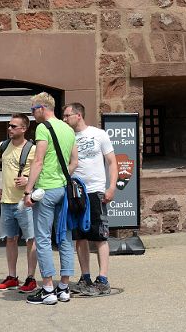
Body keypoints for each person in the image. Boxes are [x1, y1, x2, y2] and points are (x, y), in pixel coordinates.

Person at [22, 92, 76, 305]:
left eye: (33, 109)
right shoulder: (68, 129)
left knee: (42, 238)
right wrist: (63, 177)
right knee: (64, 236)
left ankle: (47, 289)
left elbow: (38, 161)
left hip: (45, 189)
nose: (32, 114)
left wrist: (28, 191)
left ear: (42, 108)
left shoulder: (43, 128)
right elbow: (75, 162)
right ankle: (63, 287)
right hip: (63, 189)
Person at [64, 102, 116, 297]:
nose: (65, 119)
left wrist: (111, 187)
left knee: (100, 235)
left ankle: (102, 279)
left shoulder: (98, 134)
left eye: (67, 115)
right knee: (80, 236)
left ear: (78, 115)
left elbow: (112, 161)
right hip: (75, 192)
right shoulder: (67, 137)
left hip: (95, 191)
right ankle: (85, 277)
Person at [0, 114, 38, 294]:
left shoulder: (32, 149)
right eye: (8, 126)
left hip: (25, 201)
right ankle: (12, 277)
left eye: (13, 126)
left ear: (24, 128)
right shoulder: (3, 146)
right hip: (7, 201)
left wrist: (29, 181)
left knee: (30, 239)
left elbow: (43, 170)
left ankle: (31, 277)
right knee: (10, 239)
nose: (9, 129)